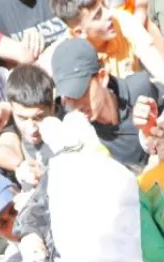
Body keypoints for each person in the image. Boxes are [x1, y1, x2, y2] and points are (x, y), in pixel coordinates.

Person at [49, 38, 154, 170]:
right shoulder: (77, 135)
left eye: (81, 91)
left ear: (102, 77)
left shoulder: (141, 91)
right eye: (69, 97)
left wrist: (152, 127)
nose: (77, 105)